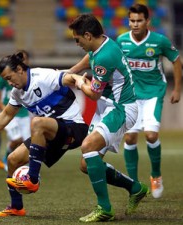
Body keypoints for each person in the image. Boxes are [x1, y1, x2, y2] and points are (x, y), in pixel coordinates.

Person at [0, 52, 89, 217]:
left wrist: (79, 80)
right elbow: (5, 116)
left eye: (10, 78)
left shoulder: (42, 76)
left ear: (19, 69)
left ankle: (32, 179)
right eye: (6, 80)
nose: (9, 83)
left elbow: (69, 77)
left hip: (74, 129)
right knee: (12, 160)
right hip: (49, 133)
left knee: (37, 122)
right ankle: (16, 207)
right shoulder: (17, 93)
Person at [67, 14, 149, 222]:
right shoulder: (101, 43)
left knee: (87, 147)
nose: (77, 44)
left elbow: (93, 93)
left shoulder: (105, 56)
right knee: (86, 165)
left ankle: (104, 209)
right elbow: (89, 58)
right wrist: (73, 70)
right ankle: (135, 188)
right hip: (107, 106)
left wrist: (78, 81)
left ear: (87, 35)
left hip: (122, 109)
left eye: (78, 40)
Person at [116, 4, 182, 199]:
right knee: (129, 138)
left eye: (139, 21)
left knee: (151, 136)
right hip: (131, 96)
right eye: (132, 21)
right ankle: (133, 184)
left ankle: (156, 175)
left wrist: (177, 89)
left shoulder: (159, 41)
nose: (135, 24)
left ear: (147, 22)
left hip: (153, 93)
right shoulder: (121, 41)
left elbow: (176, 60)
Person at [0, 50, 31, 171]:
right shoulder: (8, 74)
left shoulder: (29, 76)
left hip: (24, 113)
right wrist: (0, 105)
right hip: (9, 111)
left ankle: (25, 166)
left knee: (27, 142)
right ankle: (6, 158)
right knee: (16, 139)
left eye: (24, 59)